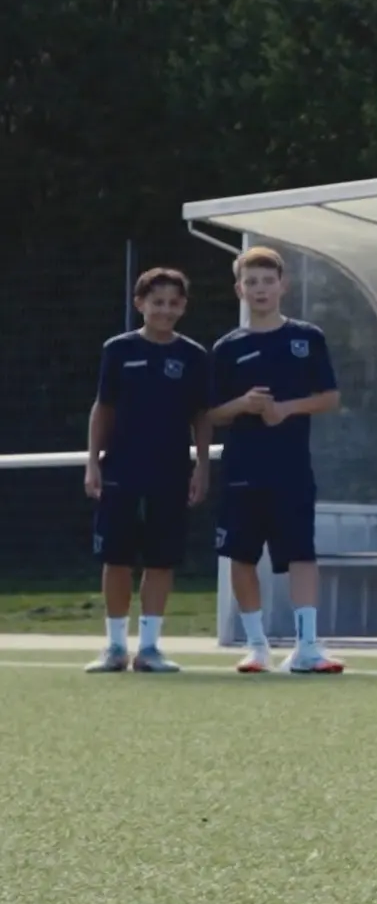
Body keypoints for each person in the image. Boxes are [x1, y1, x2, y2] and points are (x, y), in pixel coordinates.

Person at [208, 246, 344, 674]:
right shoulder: (227, 348)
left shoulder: (307, 337)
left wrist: (285, 409)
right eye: (251, 282)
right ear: (239, 289)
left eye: (268, 281)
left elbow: (330, 398)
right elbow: (210, 413)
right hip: (242, 470)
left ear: (283, 285)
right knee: (241, 556)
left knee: (301, 554)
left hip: (291, 468)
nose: (260, 289)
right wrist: (242, 404)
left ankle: (307, 647)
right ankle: (256, 647)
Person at [82, 268, 213, 673]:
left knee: (161, 560)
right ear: (140, 303)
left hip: (170, 471)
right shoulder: (118, 350)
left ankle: (150, 648)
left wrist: (201, 465)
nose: (165, 310)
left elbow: (201, 415)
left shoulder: (193, 355)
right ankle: (115, 647)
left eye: (174, 303)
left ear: (184, 307)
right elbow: (104, 407)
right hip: (121, 468)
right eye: (157, 302)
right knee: (116, 557)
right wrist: (93, 461)